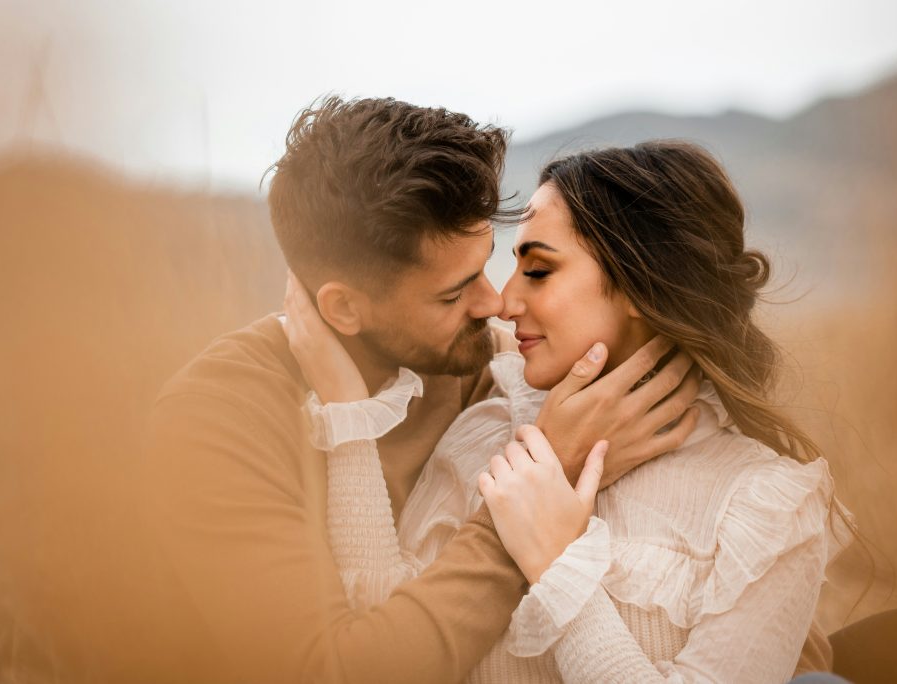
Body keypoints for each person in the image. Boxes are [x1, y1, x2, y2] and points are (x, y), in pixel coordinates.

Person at [136, 97, 700, 684]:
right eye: (453, 294)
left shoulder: (478, 366)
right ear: (344, 308)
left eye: (486, 266)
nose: (494, 304)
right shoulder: (215, 422)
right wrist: (536, 488)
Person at [284, 140, 853, 682]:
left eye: (537, 271)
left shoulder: (765, 504)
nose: (505, 302)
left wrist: (559, 564)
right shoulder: (489, 430)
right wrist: (347, 408)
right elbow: (380, 630)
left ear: (641, 283)